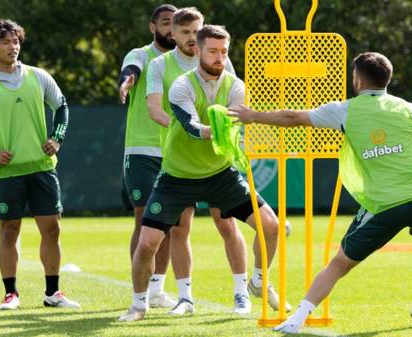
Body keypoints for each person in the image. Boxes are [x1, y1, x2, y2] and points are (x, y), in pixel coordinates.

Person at [228, 52, 412, 334]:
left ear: (357, 80)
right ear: (388, 79)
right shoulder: (409, 108)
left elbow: (293, 117)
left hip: (383, 205)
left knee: (340, 264)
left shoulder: (345, 109)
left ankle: (297, 319)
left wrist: (253, 115)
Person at [118, 24, 289, 322]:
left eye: (224, 52)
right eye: (213, 51)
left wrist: (236, 128)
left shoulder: (236, 86)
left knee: (271, 226)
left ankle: (259, 281)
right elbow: (190, 126)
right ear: (198, 51)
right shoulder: (182, 86)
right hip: (177, 177)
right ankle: (139, 304)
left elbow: (236, 122)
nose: (219, 58)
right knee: (147, 244)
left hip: (220, 175)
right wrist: (217, 129)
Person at [0, 18, 80, 310]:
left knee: (52, 229)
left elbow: (61, 106)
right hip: (10, 173)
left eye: (16, 41)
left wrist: (57, 137)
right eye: (5, 42)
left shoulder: (39, 76)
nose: (13, 47)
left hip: (42, 168)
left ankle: (53, 293)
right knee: (9, 231)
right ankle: (11, 294)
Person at [146, 7, 251, 316]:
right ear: (172, 33)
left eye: (197, 32)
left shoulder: (222, 59)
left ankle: (241, 293)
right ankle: (185, 297)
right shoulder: (160, 65)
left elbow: (235, 105)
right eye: (186, 32)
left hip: (217, 161)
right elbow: (155, 108)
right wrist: (187, 132)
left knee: (227, 224)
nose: (192, 38)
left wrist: (224, 137)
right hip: (182, 161)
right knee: (179, 229)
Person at [117, 3, 178, 309]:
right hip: (142, 149)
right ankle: (138, 290)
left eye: (175, 23)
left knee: (169, 223)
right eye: (166, 22)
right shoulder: (141, 54)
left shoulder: (186, 61)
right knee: (145, 219)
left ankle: (157, 289)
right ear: (153, 27)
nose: (171, 28)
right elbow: (131, 70)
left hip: (176, 150)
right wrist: (126, 82)